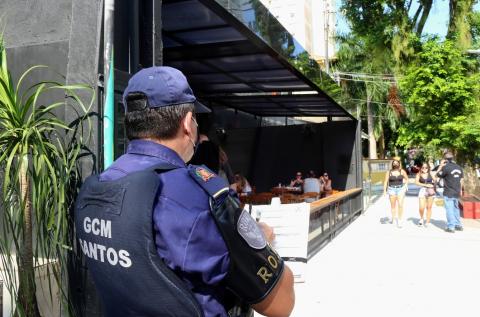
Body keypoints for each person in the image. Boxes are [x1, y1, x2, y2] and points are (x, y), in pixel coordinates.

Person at [75, 66, 294, 317]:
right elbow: (281, 304)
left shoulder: (99, 187)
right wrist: (261, 239)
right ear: (188, 123)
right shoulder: (196, 199)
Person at [436, 152, 464, 233]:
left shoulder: (446, 167)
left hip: (448, 192)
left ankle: (451, 227)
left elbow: (437, 174)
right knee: (456, 208)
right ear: (453, 158)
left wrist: (441, 166)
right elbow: (461, 179)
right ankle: (458, 225)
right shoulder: (459, 167)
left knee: (449, 209)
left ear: (445, 159)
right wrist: (461, 190)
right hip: (457, 191)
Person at [383, 159, 409, 228]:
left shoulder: (402, 171)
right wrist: (384, 191)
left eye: (396, 163)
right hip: (391, 189)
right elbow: (385, 181)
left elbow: (407, 179)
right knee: (393, 206)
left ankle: (399, 220)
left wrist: (406, 185)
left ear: (399, 164)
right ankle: (393, 218)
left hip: (401, 189)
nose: (395, 164)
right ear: (392, 164)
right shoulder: (389, 172)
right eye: (394, 163)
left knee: (400, 204)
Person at [415, 163, 436, 227]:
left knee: (429, 207)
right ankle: (421, 219)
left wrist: (434, 185)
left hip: (430, 190)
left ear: (428, 168)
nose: (424, 169)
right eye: (423, 167)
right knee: (421, 207)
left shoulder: (431, 173)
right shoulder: (419, 174)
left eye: (426, 167)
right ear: (421, 168)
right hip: (422, 190)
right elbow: (416, 182)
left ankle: (427, 222)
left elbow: (435, 180)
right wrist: (425, 185)